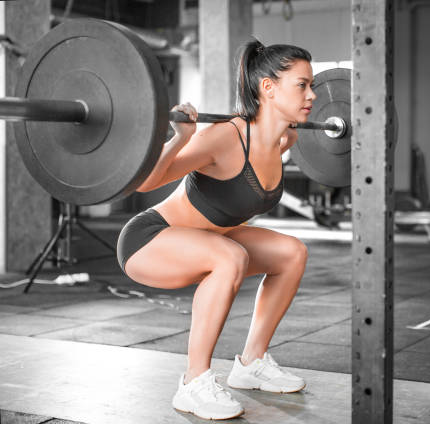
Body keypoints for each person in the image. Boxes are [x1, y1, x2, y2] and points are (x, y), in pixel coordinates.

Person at [116, 39, 313, 420]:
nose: (313, 94)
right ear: (268, 88)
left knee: (292, 253)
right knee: (229, 256)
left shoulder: (286, 138)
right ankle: (193, 382)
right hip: (150, 240)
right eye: (302, 85)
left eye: (312, 85)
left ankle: (251, 363)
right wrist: (181, 138)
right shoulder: (224, 137)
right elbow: (144, 181)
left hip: (212, 238)